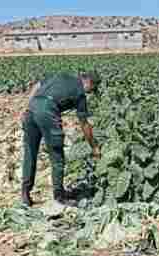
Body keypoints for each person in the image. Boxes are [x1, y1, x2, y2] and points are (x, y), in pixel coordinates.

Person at [19, 71, 101, 207]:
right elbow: (84, 124)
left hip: (33, 107)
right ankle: (59, 196)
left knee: (30, 152)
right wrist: (94, 146)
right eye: (92, 90)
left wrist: (27, 108)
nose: (89, 93)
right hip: (48, 110)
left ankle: (25, 192)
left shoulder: (60, 76)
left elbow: (38, 85)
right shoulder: (80, 92)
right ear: (89, 83)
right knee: (57, 155)